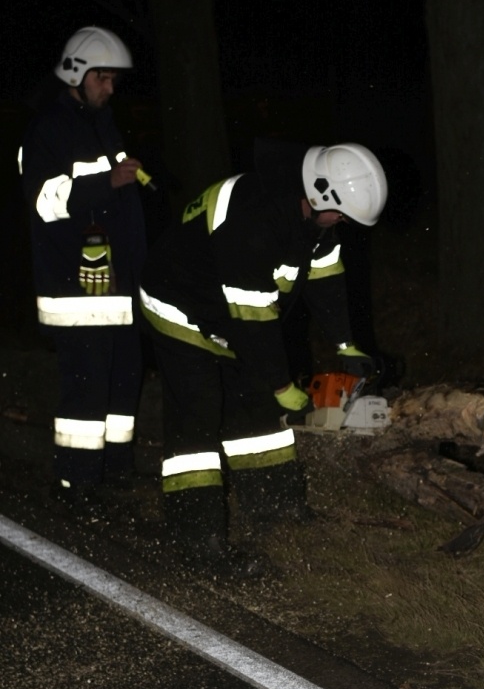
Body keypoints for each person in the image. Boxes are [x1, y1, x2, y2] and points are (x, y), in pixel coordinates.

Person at [139, 142, 388, 575]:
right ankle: (200, 544)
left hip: (228, 307)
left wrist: (348, 346)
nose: (343, 224)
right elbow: (254, 323)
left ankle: (277, 508)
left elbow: (327, 281)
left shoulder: (318, 219)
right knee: (198, 413)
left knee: (253, 404)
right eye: (342, 215)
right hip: (178, 302)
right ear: (319, 195)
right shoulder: (256, 219)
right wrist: (282, 387)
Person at [19, 26, 148, 509]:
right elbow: (44, 201)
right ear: (77, 72)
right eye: (104, 79)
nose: (110, 88)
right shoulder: (47, 129)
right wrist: (107, 183)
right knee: (86, 385)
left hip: (115, 282)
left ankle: (113, 470)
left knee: (122, 377)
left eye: (114, 80)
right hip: (75, 285)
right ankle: (74, 483)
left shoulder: (102, 123)